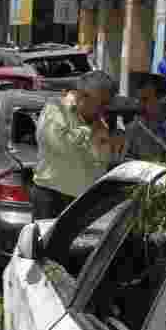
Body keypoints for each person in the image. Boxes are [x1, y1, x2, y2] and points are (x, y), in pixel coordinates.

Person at [32, 71, 124, 220]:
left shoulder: (101, 123)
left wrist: (114, 141)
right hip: (52, 198)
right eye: (101, 103)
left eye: (107, 104)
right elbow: (61, 146)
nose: (104, 109)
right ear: (83, 96)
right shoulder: (56, 110)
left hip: (83, 201)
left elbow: (102, 161)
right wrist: (89, 131)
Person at [123, 73, 166, 162]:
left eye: (145, 99)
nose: (139, 105)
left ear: (162, 99)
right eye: (138, 100)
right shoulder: (133, 131)